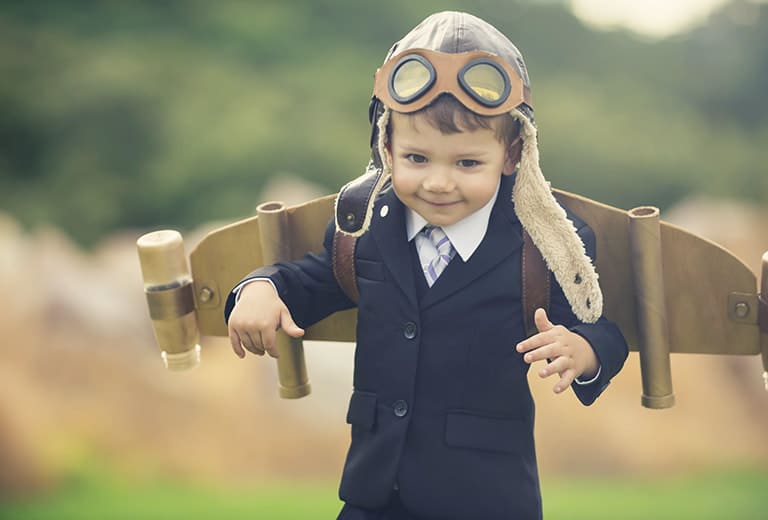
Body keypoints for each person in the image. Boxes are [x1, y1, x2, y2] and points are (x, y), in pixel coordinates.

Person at [225, 11, 628, 520]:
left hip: (486, 498)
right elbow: (310, 280)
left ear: (512, 155)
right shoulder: (366, 227)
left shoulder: (539, 242)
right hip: (373, 495)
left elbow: (605, 332)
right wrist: (260, 288)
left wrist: (583, 349)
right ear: (386, 147)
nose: (439, 182)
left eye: (466, 163)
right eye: (418, 158)